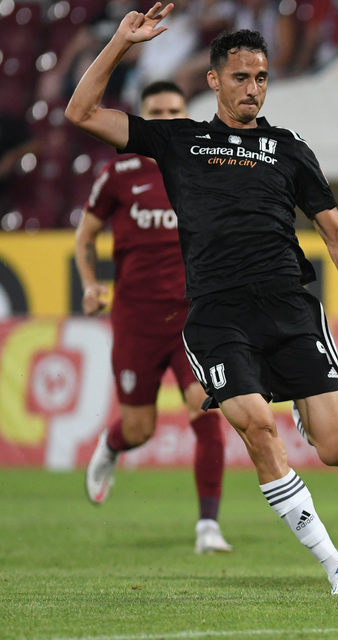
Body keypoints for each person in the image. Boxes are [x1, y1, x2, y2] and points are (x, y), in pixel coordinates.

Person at [66, 3, 338, 595]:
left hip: (290, 305)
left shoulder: (289, 148)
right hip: (216, 314)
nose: (252, 89)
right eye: (240, 77)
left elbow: (335, 233)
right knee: (257, 428)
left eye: (261, 78)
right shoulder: (178, 139)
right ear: (212, 81)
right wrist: (120, 43)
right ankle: (335, 562)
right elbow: (80, 112)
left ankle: (298, 402)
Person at [78, 80, 233, 555]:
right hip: (136, 319)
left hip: (192, 317)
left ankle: (208, 526)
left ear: (186, 113)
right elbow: (85, 237)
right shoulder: (118, 174)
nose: (165, 117)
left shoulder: (205, 170)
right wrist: (89, 283)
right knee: (140, 429)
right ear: (141, 116)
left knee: (206, 410)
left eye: (173, 109)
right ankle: (110, 446)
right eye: (156, 110)